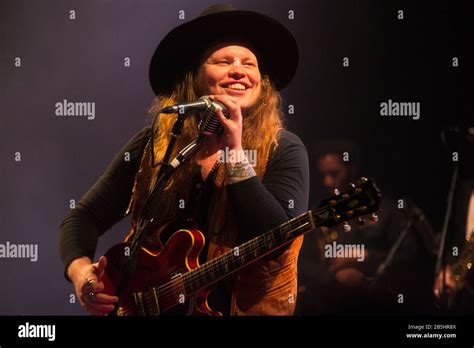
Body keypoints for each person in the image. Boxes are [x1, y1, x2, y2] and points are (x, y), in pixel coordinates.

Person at [58, 4, 309, 316]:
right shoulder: (156, 143)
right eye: (223, 61)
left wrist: (235, 152)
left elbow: (276, 238)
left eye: (250, 64)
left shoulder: (282, 147)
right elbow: (82, 217)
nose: (239, 71)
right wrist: (82, 272)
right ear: (195, 77)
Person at [297, 138, 436, 314]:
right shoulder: (318, 212)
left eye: (334, 173)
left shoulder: (387, 210)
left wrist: (366, 257)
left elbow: (412, 258)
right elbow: (299, 261)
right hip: (328, 306)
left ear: (352, 169)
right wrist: (331, 277)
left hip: (379, 307)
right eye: (323, 175)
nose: (327, 182)